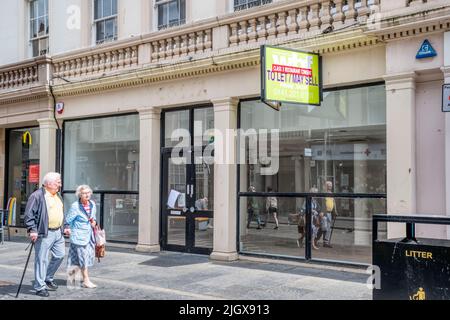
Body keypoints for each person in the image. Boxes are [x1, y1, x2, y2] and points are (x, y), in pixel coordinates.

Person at [24, 172, 69, 297]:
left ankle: (48, 277)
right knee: (41, 260)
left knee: (60, 255)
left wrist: (65, 226)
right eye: (58, 182)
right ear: (49, 183)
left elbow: (61, 213)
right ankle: (40, 286)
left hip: (58, 232)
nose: (60, 185)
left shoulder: (57, 195)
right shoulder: (37, 196)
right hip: (44, 232)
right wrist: (32, 230)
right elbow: (29, 215)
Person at [65, 185, 98, 289]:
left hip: (89, 236)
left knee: (75, 257)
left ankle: (72, 278)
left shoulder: (92, 204)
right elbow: (68, 220)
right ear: (79, 195)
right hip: (79, 236)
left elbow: (94, 217)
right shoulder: (75, 206)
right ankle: (86, 280)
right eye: (84, 193)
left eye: (89, 192)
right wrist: (67, 228)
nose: (87, 194)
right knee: (83, 259)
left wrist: (94, 222)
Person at [316, 181, 338, 248]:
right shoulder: (323, 194)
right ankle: (315, 239)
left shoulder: (331, 194)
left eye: (331, 185)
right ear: (326, 186)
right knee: (323, 228)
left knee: (328, 228)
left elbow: (333, 203)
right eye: (328, 185)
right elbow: (321, 203)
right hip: (324, 213)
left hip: (329, 213)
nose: (330, 187)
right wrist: (321, 212)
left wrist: (335, 212)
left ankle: (326, 242)